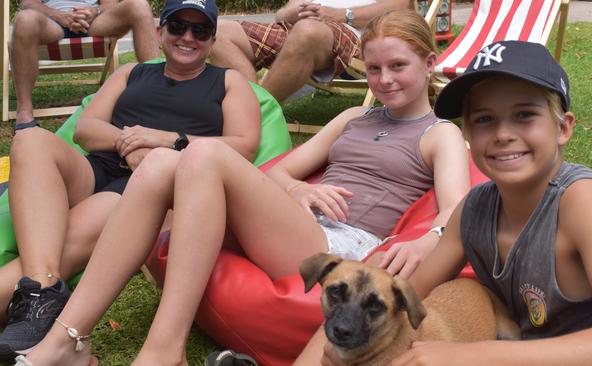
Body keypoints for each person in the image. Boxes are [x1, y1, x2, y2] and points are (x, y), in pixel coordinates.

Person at [17, 10, 470, 366]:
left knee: (205, 154)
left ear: (429, 63)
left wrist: (427, 239)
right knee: (157, 165)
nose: (385, 79)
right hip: (300, 221)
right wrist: (297, 191)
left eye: (398, 66)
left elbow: (455, 207)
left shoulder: (439, 133)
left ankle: (163, 350)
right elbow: (279, 172)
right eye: (373, 68)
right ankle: (64, 339)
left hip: (343, 247)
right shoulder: (354, 118)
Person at [299, 40, 592, 366]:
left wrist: (473, 354)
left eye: (525, 114)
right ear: (466, 134)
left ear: (563, 128)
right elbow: (405, 299)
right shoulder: (475, 209)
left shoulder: (583, 201)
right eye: (484, 119)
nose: (502, 134)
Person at [0, 0, 260, 362]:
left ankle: (32, 298)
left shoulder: (228, 82)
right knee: (29, 140)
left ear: (212, 40)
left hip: (148, 189)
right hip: (99, 168)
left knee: (69, 235)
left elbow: (243, 147)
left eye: (200, 30)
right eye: (177, 26)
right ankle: (42, 292)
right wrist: (132, 142)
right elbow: (87, 130)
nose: (187, 37)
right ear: (159, 32)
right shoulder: (131, 72)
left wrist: (164, 141)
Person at [209, 0, 409, 102]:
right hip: (295, 28)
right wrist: (296, 11)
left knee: (307, 31)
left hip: (351, 32)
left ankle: (257, 114)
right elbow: (281, 14)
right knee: (218, 30)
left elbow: (399, 6)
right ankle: (246, 108)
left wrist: (339, 15)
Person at [10, 0, 161, 126]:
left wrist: (94, 10)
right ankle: (24, 110)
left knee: (139, 6)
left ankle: (159, 95)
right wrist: (58, 15)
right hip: (51, 24)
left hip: (95, 23)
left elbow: (110, 4)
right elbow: (29, 4)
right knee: (25, 19)